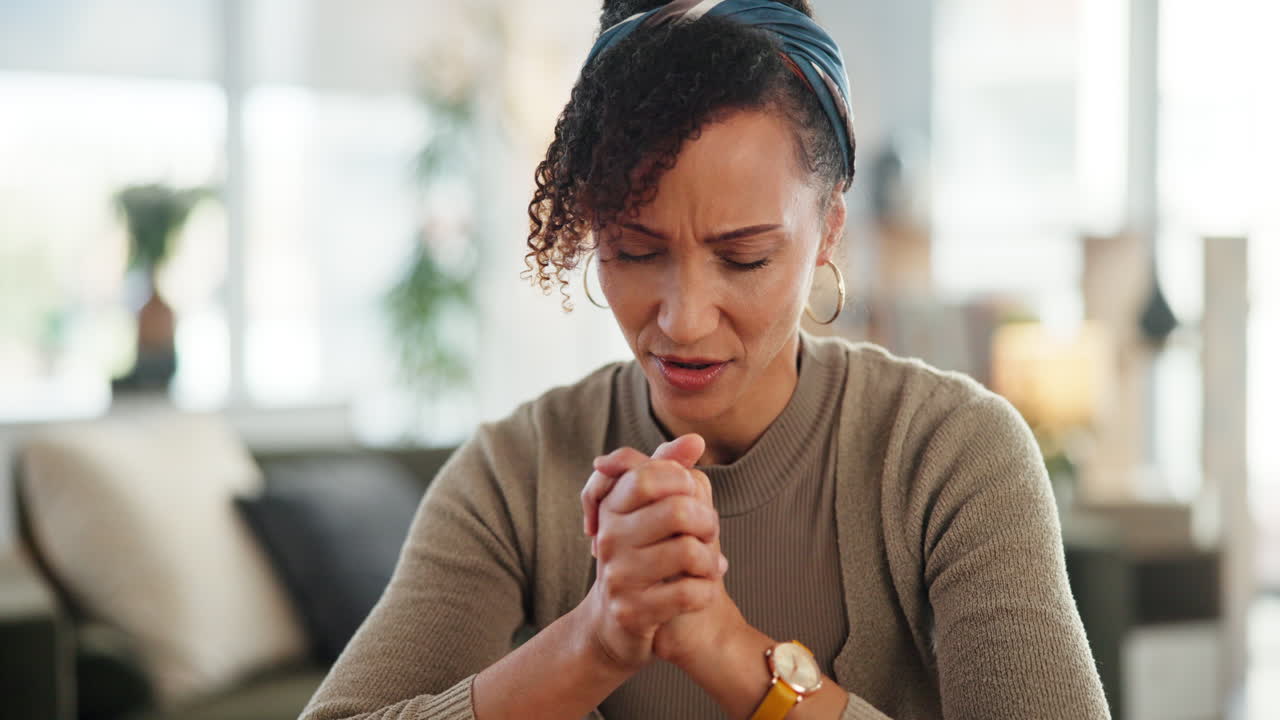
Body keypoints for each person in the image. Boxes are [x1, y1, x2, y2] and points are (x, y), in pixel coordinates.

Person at [301, 1, 1110, 718]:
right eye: (633, 250)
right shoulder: (515, 474)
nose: (684, 323)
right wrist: (596, 641)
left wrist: (728, 652)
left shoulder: (951, 455)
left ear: (829, 227)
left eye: (746, 258)